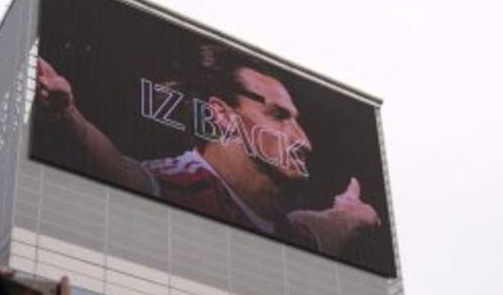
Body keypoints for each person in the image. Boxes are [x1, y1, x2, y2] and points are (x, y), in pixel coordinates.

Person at [34, 44, 381, 257]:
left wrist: (348, 215)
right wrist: (69, 117)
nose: (303, 140)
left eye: (296, 119)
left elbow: (316, 231)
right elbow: (120, 169)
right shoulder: (181, 183)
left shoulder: (284, 226)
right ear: (221, 113)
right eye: (278, 115)